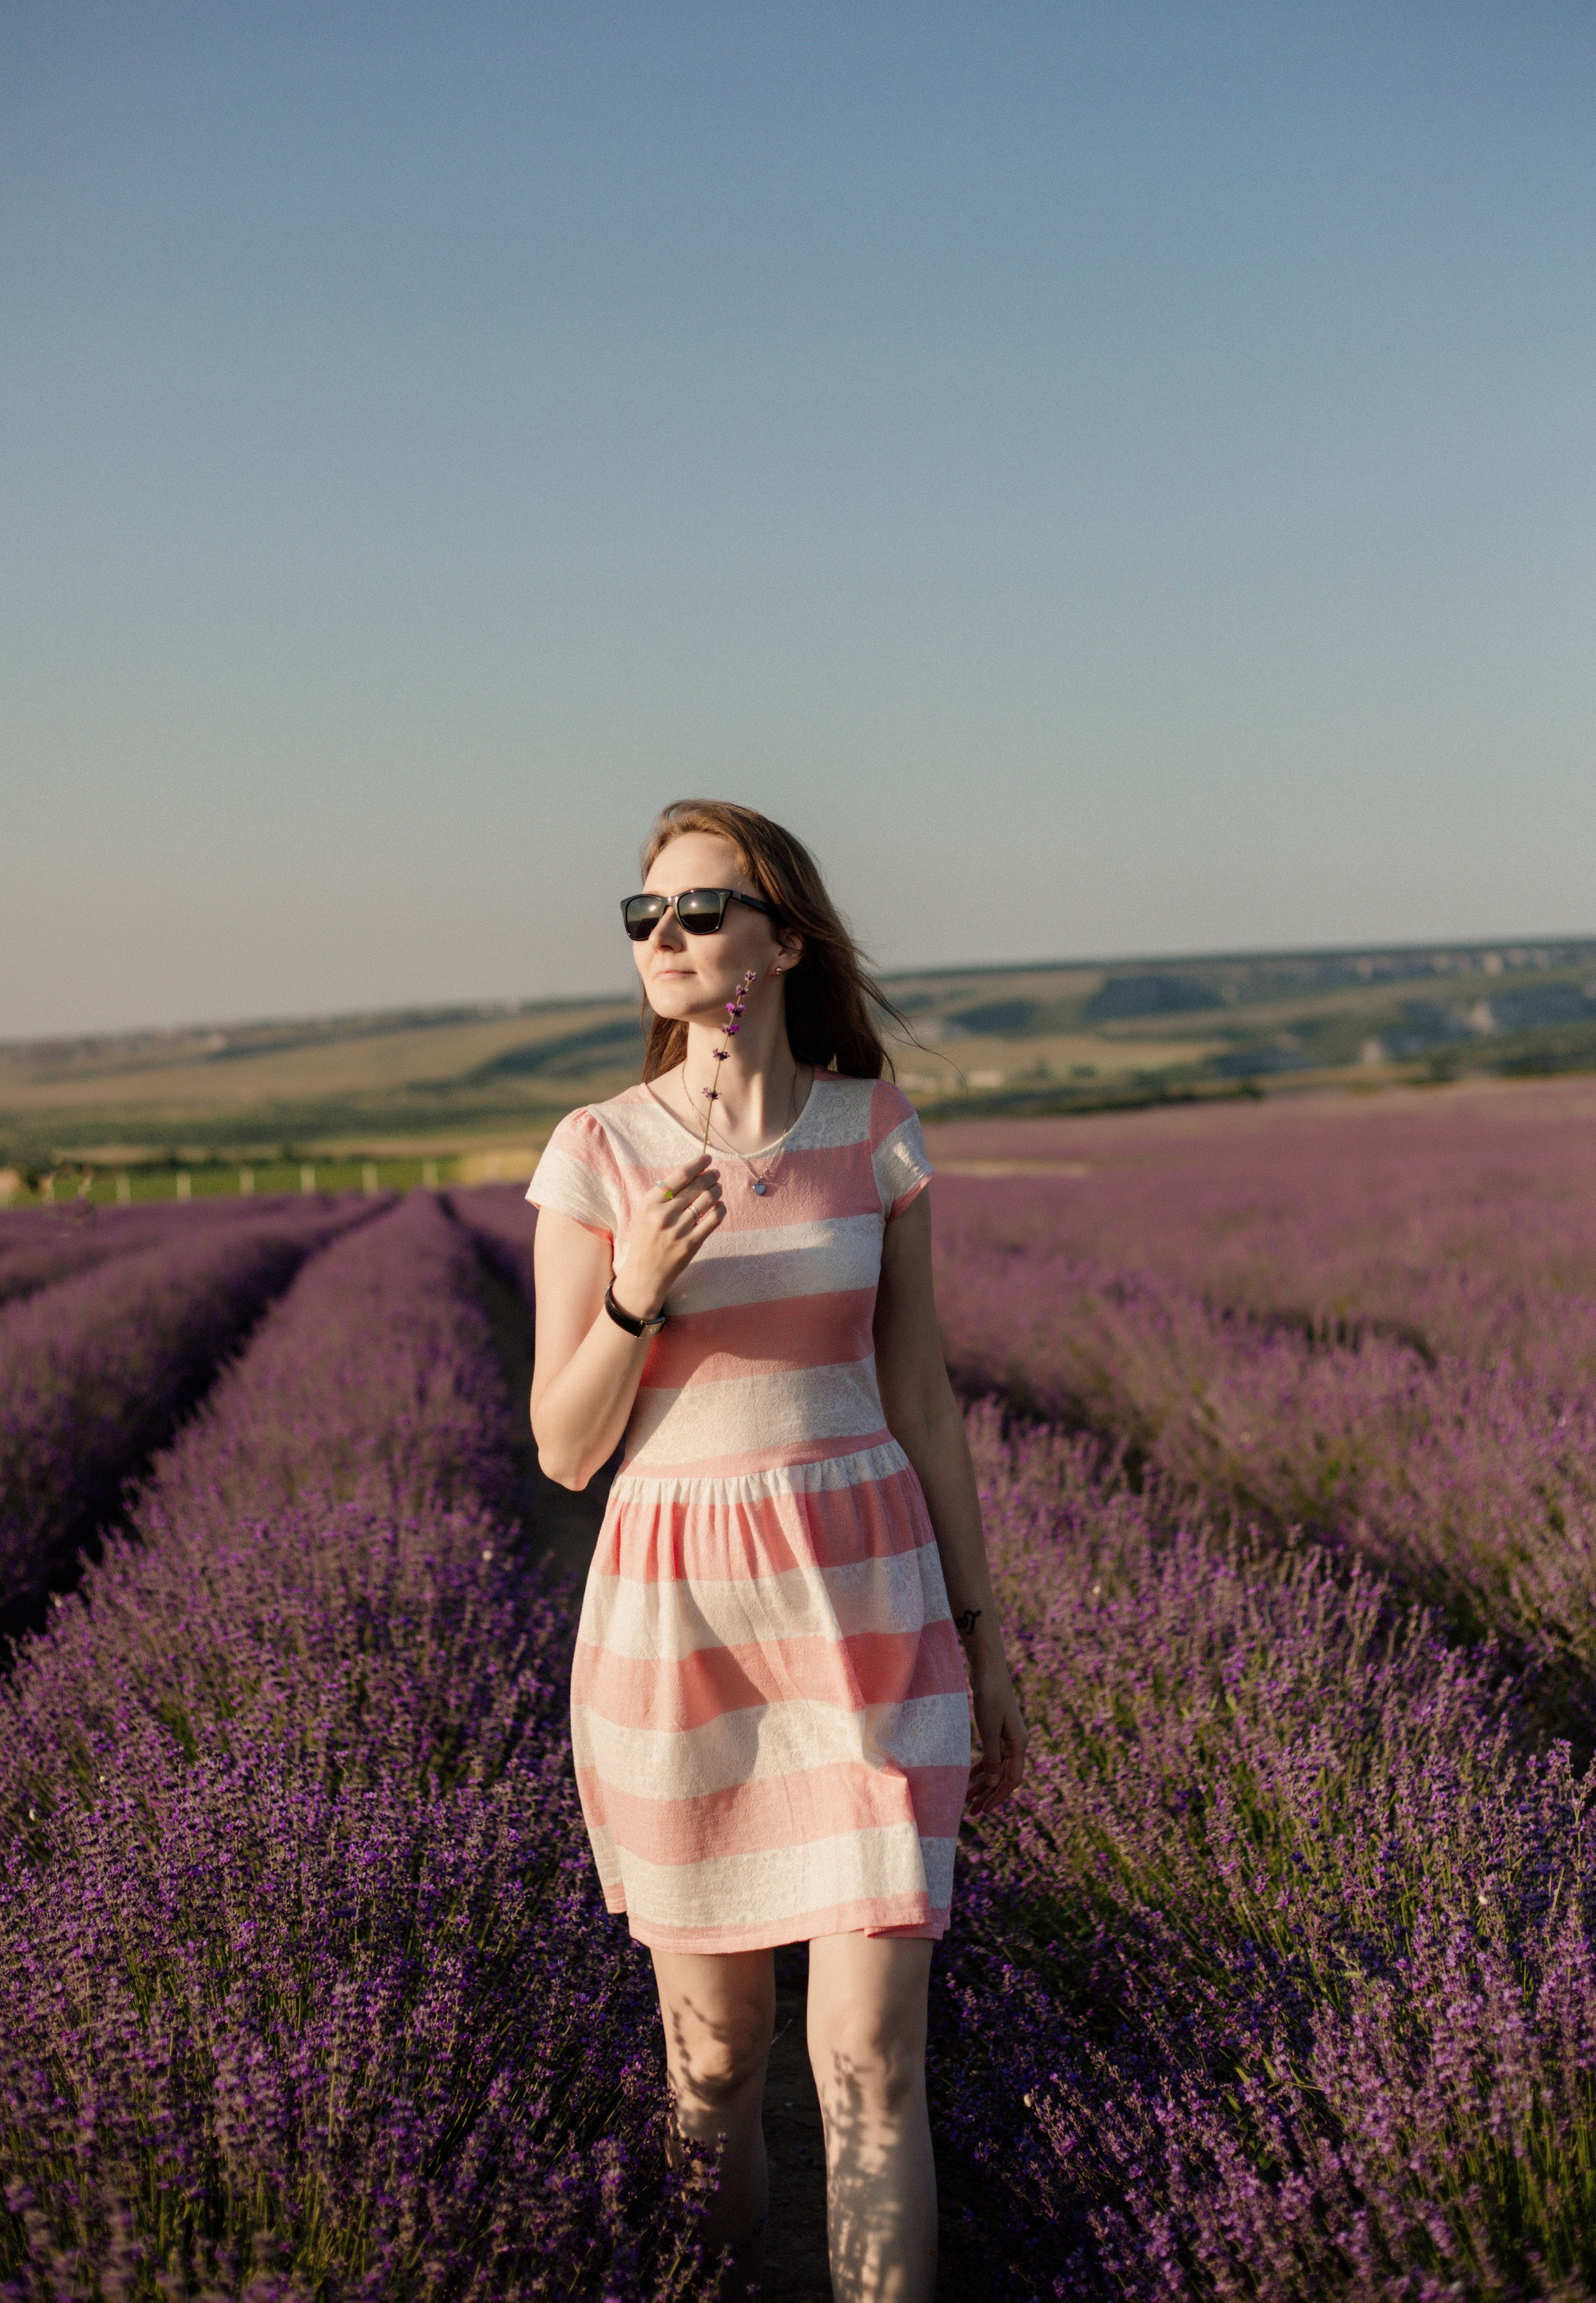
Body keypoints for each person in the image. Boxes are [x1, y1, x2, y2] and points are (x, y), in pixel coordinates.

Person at [527, 798, 1027, 2302]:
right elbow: (562, 1447)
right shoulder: (596, 1151)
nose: (661, 939)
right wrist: (637, 1293)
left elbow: (924, 1399)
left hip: (862, 1599)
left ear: (781, 939)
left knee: (871, 2056)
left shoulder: (871, 1131)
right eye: (644, 915)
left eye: (697, 909)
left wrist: (986, 1636)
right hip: (677, 1626)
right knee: (719, 2064)